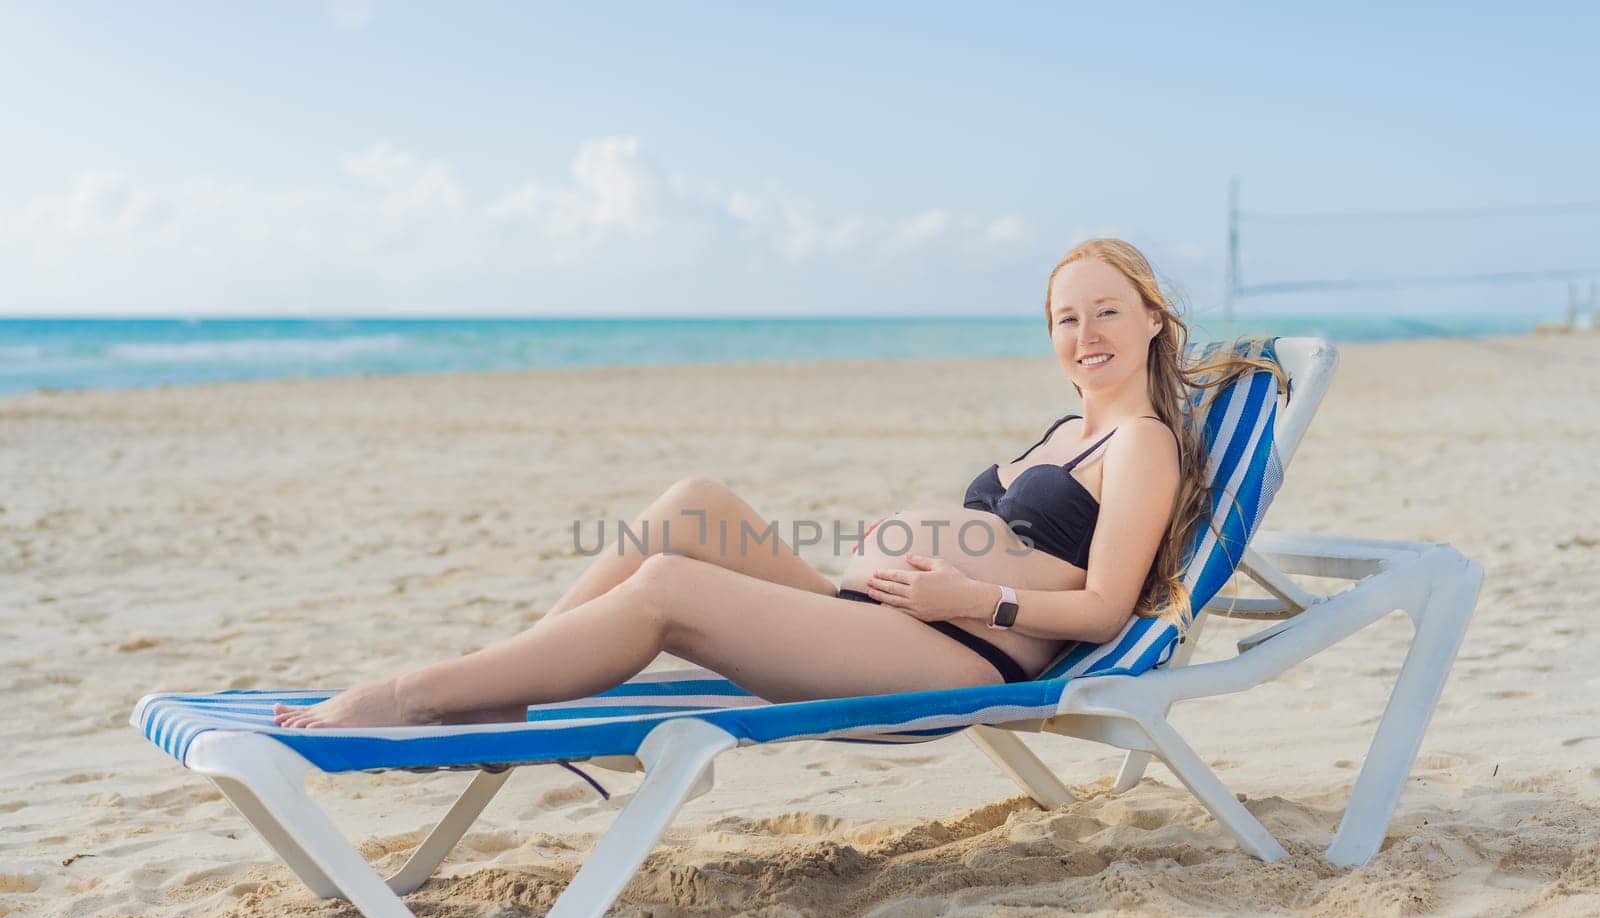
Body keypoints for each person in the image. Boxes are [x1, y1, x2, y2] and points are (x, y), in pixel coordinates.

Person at [275, 238, 1267, 729]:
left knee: (668, 589)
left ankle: (411, 696)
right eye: (1063, 318)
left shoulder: (1141, 443)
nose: (1083, 335)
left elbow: (1100, 608)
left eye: (1104, 312)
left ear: (1150, 319)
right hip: (900, 619)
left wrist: (965, 590)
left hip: (965, 656)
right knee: (692, 503)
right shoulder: (1067, 427)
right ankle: (508, 674)